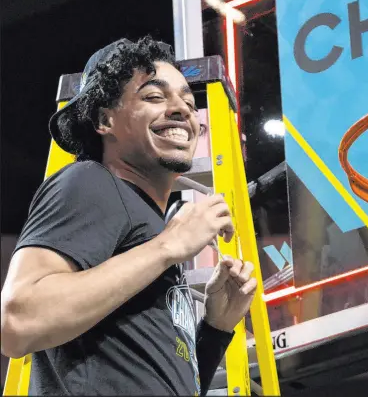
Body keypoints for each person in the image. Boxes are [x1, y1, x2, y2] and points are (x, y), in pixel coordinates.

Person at [1, 37, 257, 396]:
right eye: (154, 97)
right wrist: (170, 244)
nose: (182, 109)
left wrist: (216, 328)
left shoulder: (148, 235)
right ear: (105, 119)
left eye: (188, 99)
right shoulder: (90, 182)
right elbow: (17, 322)